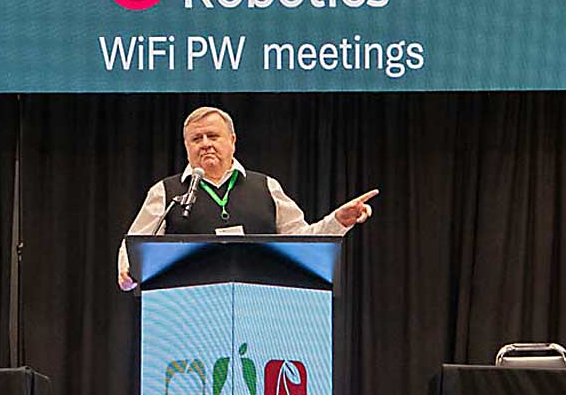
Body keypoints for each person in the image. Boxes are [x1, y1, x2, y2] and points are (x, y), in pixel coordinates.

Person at [118, 106, 378, 291]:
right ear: (187, 147)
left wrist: (339, 221)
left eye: (213, 136)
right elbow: (134, 244)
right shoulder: (166, 192)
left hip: (261, 310)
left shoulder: (266, 186)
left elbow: (303, 241)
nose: (205, 143)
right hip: (190, 317)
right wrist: (129, 271)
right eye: (196, 139)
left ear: (232, 141)